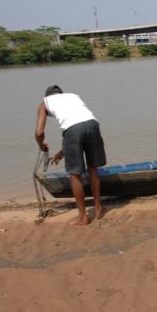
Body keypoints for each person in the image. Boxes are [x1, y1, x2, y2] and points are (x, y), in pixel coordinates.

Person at [35, 85, 107, 225]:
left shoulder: (45, 102)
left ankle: (82, 217)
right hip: (93, 125)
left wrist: (41, 145)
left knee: (75, 174)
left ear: (48, 95)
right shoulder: (73, 96)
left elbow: (39, 133)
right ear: (60, 93)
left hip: (73, 131)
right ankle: (98, 209)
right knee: (93, 168)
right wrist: (61, 153)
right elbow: (80, 125)